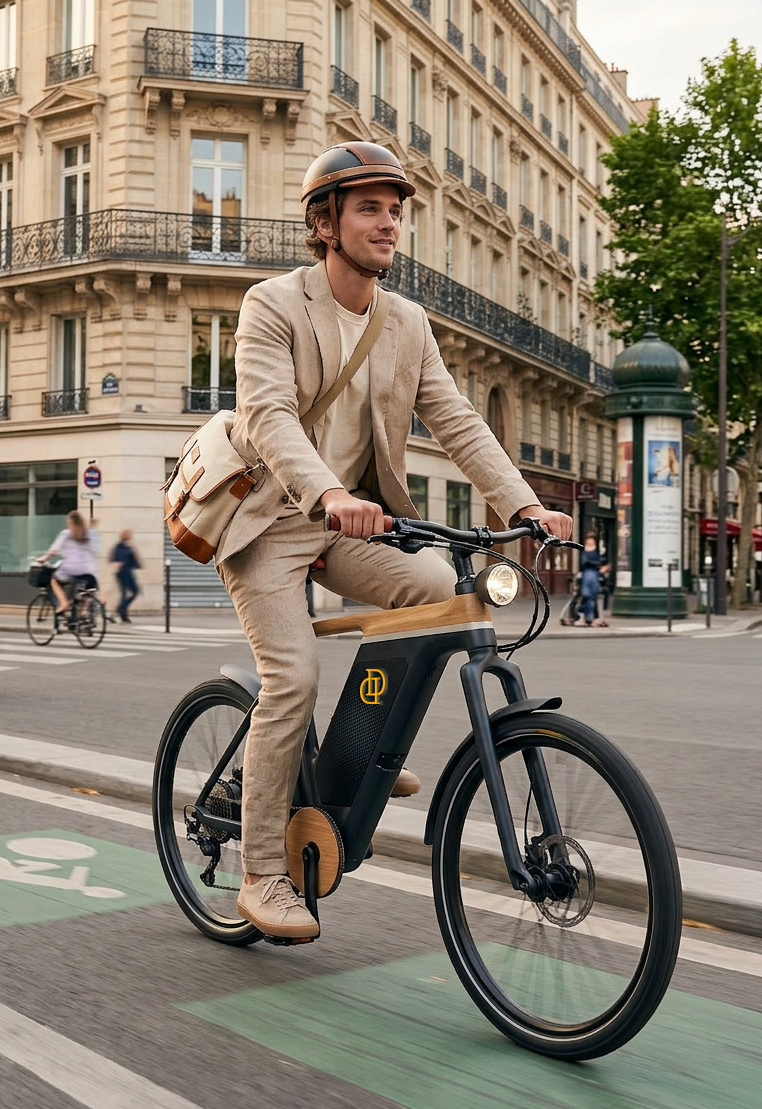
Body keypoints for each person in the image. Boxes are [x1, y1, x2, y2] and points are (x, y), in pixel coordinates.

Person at [216, 142, 573, 940]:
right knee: (292, 679)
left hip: (351, 521)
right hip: (271, 519)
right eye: (370, 207)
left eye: (396, 208)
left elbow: (456, 420)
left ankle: (358, 748)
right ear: (325, 222)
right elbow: (267, 415)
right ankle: (262, 872)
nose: (390, 222)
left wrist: (524, 504)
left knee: (444, 591)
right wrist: (330, 491)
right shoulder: (272, 305)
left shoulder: (405, 321)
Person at [38, 511, 100, 615]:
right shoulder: (88, 534)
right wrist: (92, 527)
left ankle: (63, 603)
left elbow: (54, 549)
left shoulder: (66, 534)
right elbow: (96, 550)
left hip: (70, 568)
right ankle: (82, 614)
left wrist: (44, 558)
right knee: (84, 592)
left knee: (54, 581)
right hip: (87, 569)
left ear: (70, 523)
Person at [575, 533, 607, 627]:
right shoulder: (587, 554)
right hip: (589, 577)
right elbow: (586, 563)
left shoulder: (592, 553)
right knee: (588, 597)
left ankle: (587, 617)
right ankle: (588, 617)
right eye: (588, 544)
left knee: (590, 597)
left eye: (591, 544)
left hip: (592, 577)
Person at [109, 529, 141, 623]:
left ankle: (120, 611)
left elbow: (135, 561)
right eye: (129, 534)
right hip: (122, 573)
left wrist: (135, 552)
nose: (131, 536)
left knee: (134, 592)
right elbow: (115, 559)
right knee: (126, 594)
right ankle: (121, 613)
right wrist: (118, 564)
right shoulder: (119, 547)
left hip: (128, 572)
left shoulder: (129, 546)